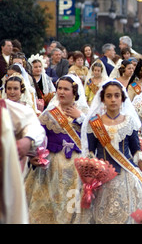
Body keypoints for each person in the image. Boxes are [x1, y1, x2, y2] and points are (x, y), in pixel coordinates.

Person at [80, 79, 142, 224]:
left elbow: (137, 152)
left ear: (122, 98)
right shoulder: (94, 123)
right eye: (109, 96)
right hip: (102, 180)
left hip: (126, 176)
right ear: (103, 99)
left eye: (117, 96)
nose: (113, 100)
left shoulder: (129, 121)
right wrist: (88, 182)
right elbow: (91, 154)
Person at [24, 74, 89, 224]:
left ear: (75, 92)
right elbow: (38, 138)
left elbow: (93, 137)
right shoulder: (49, 114)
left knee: (71, 206)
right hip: (52, 169)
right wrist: (34, 156)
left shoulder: (84, 114)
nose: (61, 92)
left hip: (76, 169)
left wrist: (81, 118)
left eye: (66, 89)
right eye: (59, 88)